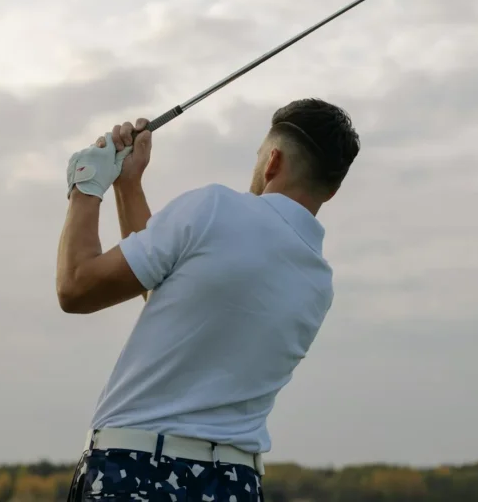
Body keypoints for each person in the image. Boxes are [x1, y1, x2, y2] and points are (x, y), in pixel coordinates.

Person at [55, 98, 360, 502]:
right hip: (236, 484)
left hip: (135, 469)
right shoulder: (320, 284)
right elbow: (166, 294)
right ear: (333, 190)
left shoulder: (215, 207)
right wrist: (129, 184)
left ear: (272, 161)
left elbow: (77, 286)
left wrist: (86, 184)